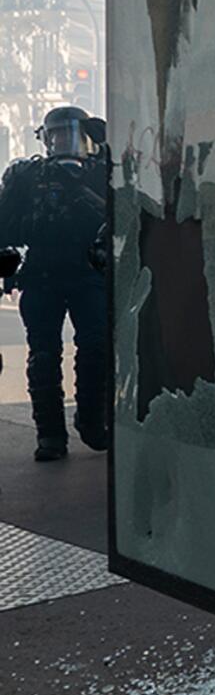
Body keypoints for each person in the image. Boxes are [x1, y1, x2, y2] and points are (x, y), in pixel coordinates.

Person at [0, 105, 109, 461]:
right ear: (46, 139)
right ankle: (50, 435)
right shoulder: (28, 177)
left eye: (71, 133)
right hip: (43, 274)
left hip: (88, 274)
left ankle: (91, 420)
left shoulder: (101, 174)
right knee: (43, 356)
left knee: (95, 349)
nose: (64, 141)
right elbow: (4, 224)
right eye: (57, 134)